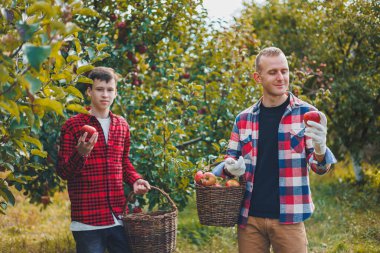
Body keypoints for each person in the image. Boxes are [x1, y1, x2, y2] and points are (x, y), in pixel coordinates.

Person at [217, 47, 337, 253]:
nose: (281, 77)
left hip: (289, 217)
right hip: (250, 218)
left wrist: (320, 149)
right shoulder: (243, 119)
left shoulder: (307, 114)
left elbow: (319, 167)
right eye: (273, 72)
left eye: (284, 70)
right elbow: (230, 161)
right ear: (258, 77)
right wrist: (230, 167)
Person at [57, 66, 150, 253]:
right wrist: (81, 154)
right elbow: (64, 171)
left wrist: (136, 179)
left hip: (118, 216)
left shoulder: (122, 125)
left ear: (116, 93)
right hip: (88, 220)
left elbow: (123, 163)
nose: (105, 95)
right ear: (89, 91)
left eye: (110, 90)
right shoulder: (74, 126)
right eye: (99, 89)